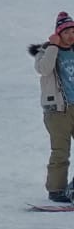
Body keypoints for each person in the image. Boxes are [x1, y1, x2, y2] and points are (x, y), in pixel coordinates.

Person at [29, 11, 74, 201]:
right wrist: (53, 46)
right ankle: (56, 190)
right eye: (66, 32)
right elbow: (44, 69)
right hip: (57, 111)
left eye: (73, 31)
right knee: (61, 151)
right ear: (58, 33)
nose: (71, 36)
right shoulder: (45, 52)